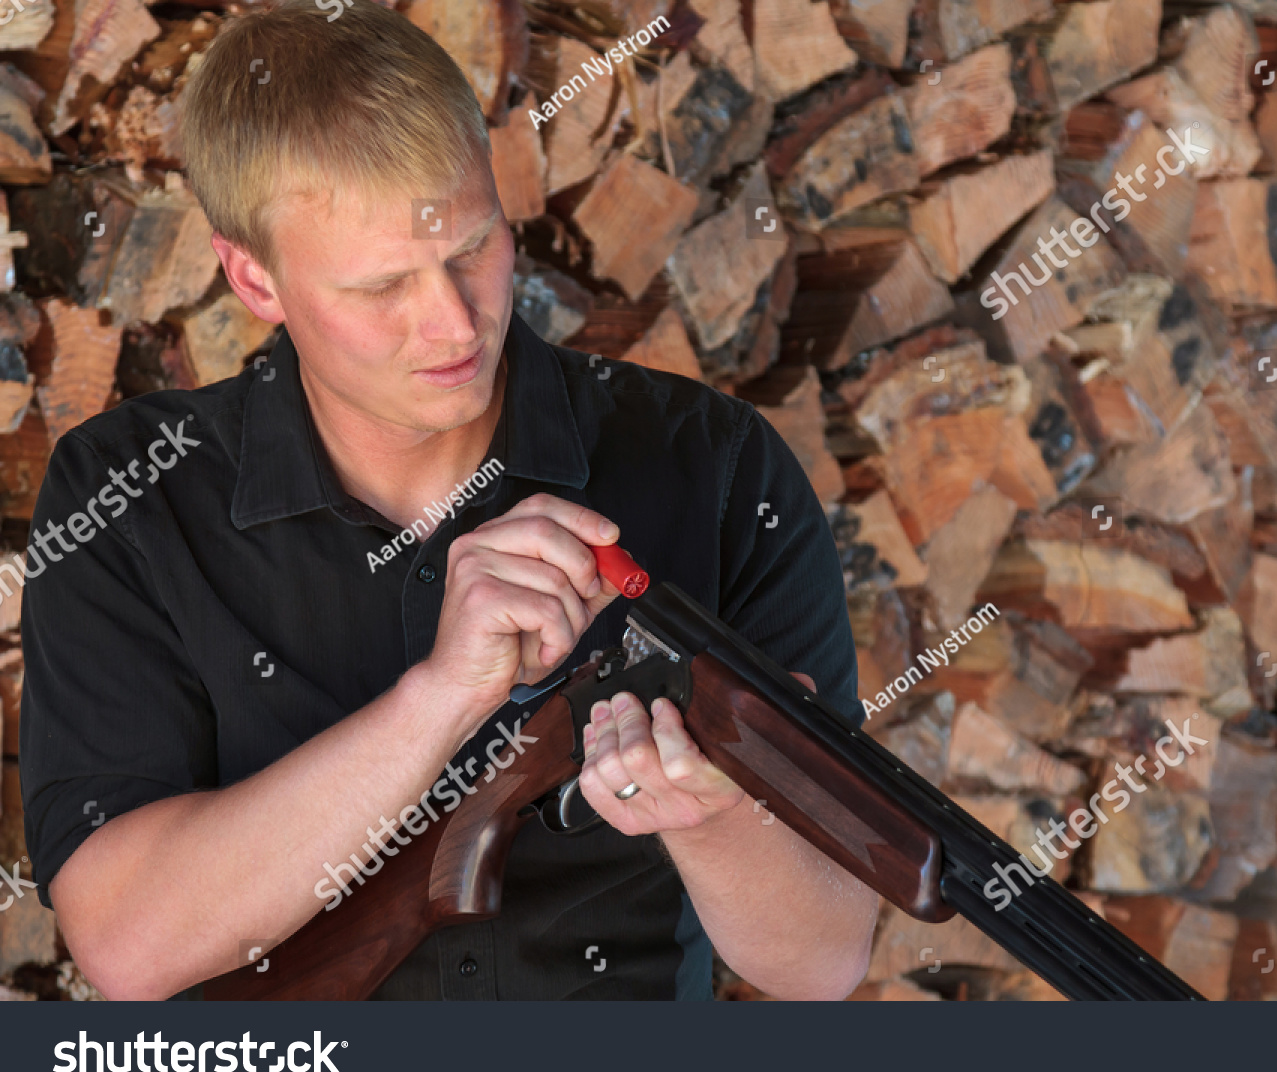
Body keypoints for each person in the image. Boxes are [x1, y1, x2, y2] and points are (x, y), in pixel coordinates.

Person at [19, 0, 876, 1000]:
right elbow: (127, 946)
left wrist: (719, 814)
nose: (453, 322)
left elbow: (823, 961)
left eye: (472, 248)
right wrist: (440, 700)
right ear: (254, 279)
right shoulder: (128, 493)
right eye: (382, 287)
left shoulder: (718, 470)